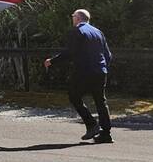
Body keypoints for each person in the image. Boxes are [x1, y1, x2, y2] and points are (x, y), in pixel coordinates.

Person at [45, 9, 114, 144]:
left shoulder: (77, 31)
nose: (72, 19)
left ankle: (92, 124)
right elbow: (108, 55)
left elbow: (70, 52)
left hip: (84, 71)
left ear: (78, 18)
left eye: (73, 16)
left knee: (74, 96)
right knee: (101, 101)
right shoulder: (98, 32)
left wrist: (52, 61)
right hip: (100, 71)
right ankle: (106, 133)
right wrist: (104, 68)